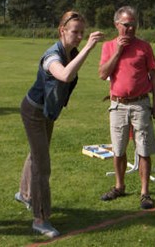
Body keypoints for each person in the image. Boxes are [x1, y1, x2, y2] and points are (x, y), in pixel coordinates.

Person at [15, 12, 104, 238]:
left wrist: (81, 50)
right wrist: (89, 48)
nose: (80, 36)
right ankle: (40, 219)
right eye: (75, 31)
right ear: (62, 30)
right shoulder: (52, 56)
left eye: (82, 32)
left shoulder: (70, 52)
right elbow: (64, 75)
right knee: (42, 166)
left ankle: (25, 194)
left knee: (37, 154)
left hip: (47, 112)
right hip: (33, 111)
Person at [99, 6, 155, 210]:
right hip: (117, 105)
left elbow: (154, 76)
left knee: (143, 149)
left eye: (134, 25)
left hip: (141, 104)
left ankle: (145, 193)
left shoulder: (144, 46)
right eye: (126, 25)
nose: (130, 29)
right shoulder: (108, 46)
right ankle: (119, 186)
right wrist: (118, 50)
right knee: (118, 149)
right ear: (117, 25)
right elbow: (103, 73)